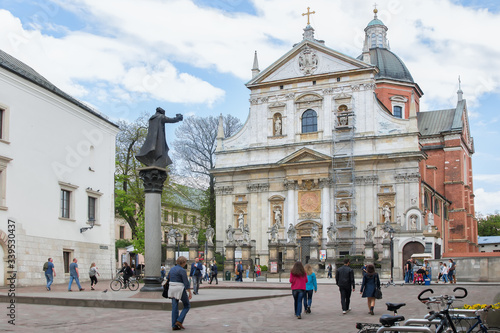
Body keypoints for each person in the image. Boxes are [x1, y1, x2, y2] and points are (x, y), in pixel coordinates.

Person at [167, 256, 192, 331]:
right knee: (187, 305)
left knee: (174, 306)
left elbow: (168, 277)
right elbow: (186, 282)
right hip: (179, 288)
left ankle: (174, 325)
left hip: (171, 288)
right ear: (183, 263)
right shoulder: (182, 270)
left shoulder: (172, 269)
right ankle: (179, 320)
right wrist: (189, 292)